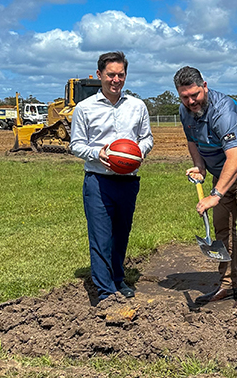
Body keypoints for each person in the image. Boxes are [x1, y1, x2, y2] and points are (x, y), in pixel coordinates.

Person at [174, 66, 237, 308]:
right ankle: (228, 284)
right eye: (184, 97)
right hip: (222, 171)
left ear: (204, 86)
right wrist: (200, 167)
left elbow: (236, 158)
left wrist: (216, 194)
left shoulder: (223, 111)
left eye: (195, 94)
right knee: (222, 227)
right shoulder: (185, 111)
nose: (191, 101)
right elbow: (192, 140)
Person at [70, 51, 153, 302]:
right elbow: (76, 144)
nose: (116, 80)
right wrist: (98, 153)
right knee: (101, 236)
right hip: (98, 180)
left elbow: (147, 138)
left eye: (121, 75)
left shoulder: (137, 106)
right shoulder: (84, 109)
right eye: (110, 75)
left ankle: (118, 279)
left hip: (128, 181)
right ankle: (106, 292)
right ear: (99, 75)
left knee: (121, 234)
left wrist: (137, 154)